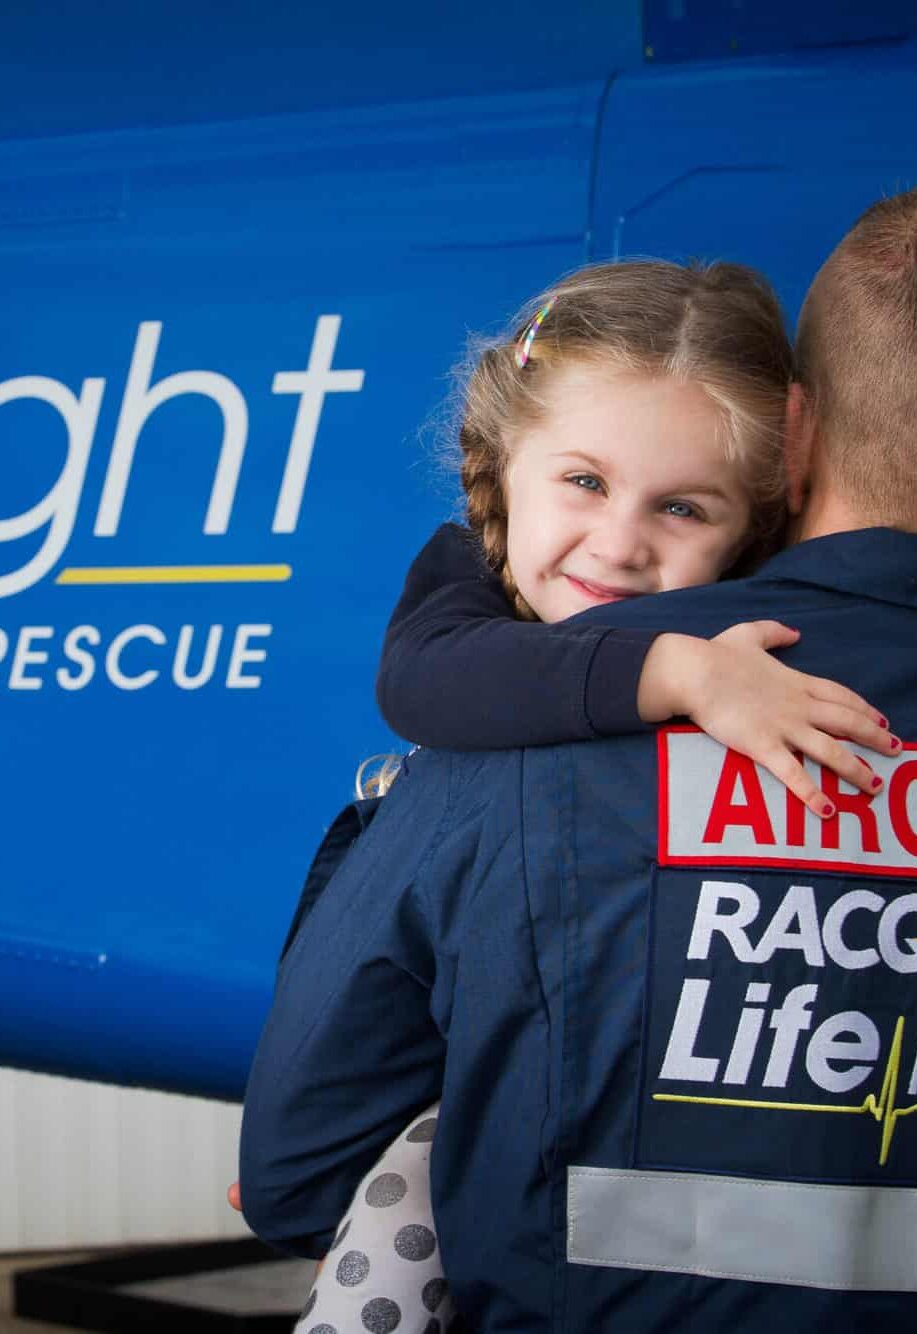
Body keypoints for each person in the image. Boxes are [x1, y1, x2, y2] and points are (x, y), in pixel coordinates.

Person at [239, 188, 917, 1333]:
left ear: (784, 458)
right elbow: (425, 669)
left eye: (681, 505)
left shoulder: (499, 756)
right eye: (583, 481)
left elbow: (293, 1171)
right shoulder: (494, 652)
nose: (615, 544)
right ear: (500, 465)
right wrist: (679, 672)